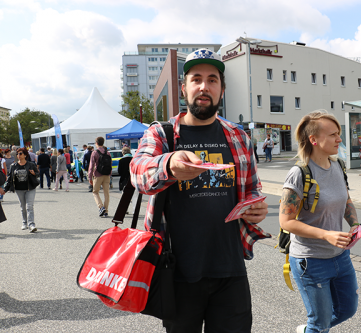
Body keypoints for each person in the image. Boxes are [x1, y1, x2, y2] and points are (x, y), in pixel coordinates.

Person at [130, 48, 270, 332]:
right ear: (184, 88)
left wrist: (256, 208)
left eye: (212, 80)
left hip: (230, 269)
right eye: (196, 79)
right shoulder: (162, 134)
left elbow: (252, 189)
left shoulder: (238, 135)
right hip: (177, 271)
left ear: (222, 89)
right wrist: (169, 163)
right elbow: (138, 172)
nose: (204, 86)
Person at [279, 111, 359, 333]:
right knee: (320, 322)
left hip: (340, 256)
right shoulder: (299, 174)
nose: (339, 139)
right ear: (314, 140)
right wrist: (326, 234)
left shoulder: (339, 166)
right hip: (310, 261)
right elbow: (286, 221)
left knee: (346, 310)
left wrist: (354, 224)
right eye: (333, 134)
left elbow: (346, 200)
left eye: (339, 133)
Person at [4, 148, 40, 232]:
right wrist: (4, 190)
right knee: (22, 207)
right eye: (17, 154)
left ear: (25, 155)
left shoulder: (31, 164)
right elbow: (9, 179)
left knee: (29, 206)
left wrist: (34, 173)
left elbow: (38, 174)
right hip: (19, 189)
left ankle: (31, 224)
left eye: (20, 153)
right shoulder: (14, 166)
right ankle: (24, 222)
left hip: (30, 188)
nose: (18, 155)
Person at [89, 137, 111, 217]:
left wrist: (89, 177)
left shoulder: (95, 152)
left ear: (96, 143)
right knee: (106, 193)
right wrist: (109, 174)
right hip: (107, 175)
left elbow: (91, 166)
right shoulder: (107, 153)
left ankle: (101, 207)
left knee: (95, 192)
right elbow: (110, 164)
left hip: (98, 175)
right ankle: (106, 211)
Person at [118, 146, 138, 214]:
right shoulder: (134, 160)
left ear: (123, 153)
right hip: (134, 180)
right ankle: (135, 210)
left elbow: (119, 172)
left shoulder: (121, 161)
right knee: (135, 196)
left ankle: (124, 210)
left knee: (125, 196)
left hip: (124, 181)